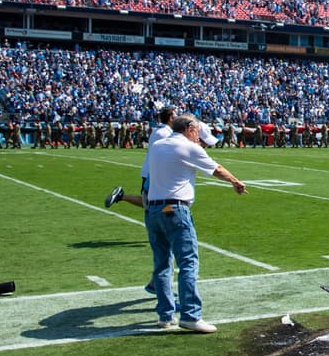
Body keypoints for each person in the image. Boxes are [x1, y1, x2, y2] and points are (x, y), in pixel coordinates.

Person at [144, 115, 246, 333]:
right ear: (190, 129)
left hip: (153, 208)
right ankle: (190, 314)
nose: (199, 135)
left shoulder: (157, 145)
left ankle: (165, 314)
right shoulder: (188, 147)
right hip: (175, 209)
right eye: (197, 130)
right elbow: (216, 169)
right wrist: (236, 181)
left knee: (162, 264)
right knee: (188, 262)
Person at [105, 106, 177, 209]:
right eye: (176, 115)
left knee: (151, 202)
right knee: (155, 203)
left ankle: (121, 196)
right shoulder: (164, 133)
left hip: (152, 171)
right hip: (153, 172)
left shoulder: (161, 131)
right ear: (170, 118)